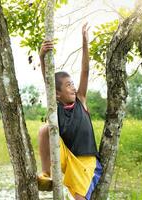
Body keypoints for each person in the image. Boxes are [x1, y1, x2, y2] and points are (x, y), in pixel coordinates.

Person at [37, 23, 102, 200]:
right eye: (68, 86)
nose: (73, 88)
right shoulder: (55, 107)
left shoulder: (81, 100)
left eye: (73, 84)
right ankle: (46, 173)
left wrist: (85, 43)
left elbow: (85, 71)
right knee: (44, 129)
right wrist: (42, 56)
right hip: (67, 156)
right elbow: (48, 81)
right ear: (57, 93)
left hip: (86, 161)